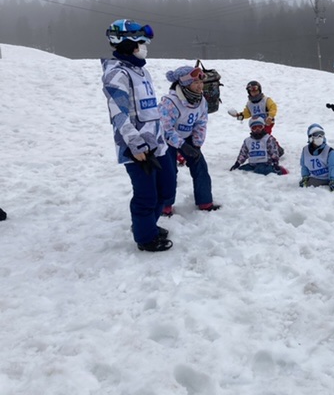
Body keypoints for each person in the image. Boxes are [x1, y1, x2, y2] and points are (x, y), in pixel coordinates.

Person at [101, 19, 174, 252]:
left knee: (166, 190)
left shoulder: (141, 71)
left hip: (158, 143)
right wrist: (135, 144)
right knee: (146, 196)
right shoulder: (116, 74)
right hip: (137, 149)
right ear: (127, 44)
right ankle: (145, 237)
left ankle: (147, 225)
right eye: (141, 43)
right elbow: (119, 113)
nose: (145, 47)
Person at [159, 65, 221, 217]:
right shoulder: (170, 102)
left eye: (201, 83)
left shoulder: (201, 101)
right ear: (185, 84)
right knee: (168, 171)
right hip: (167, 140)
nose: (200, 86)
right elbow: (165, 128)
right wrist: (182, 145)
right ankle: (165, 205)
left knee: (200, 165)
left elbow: (201, 122)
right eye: (196, 83)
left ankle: (205, 201)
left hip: (188, 137)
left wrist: (197, 144)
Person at [228, 80, 284, 156]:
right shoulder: (249, 104)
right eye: (252, 92)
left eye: (256, 91)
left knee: (265, 135)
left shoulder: (266, 100)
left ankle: (277, 149)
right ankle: (262, 149)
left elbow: (273, 107)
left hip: (266, 122)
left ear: (259, 90)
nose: (254, 93)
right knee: (257, 136)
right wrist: (239, 115)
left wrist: (270, 116)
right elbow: (247, 113)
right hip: (256, 123)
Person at [299, 124, 334, 192]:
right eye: (316, 135)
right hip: (317, 178)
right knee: (309, 184)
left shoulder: (330, 151)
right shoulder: (305, 151)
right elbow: (304, 166)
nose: (319, 137)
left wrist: (333, 180)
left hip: (331, 177)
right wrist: (305, 177)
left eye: (321, 134)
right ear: (310, 137)